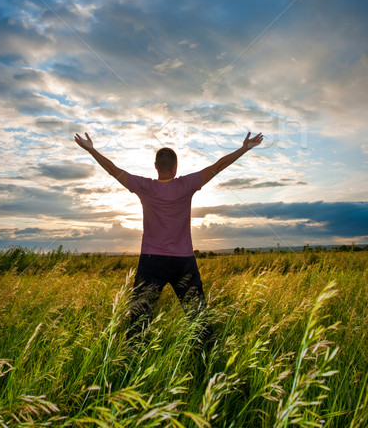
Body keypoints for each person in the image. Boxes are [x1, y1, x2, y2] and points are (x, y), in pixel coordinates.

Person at [74, 130, 263, 340]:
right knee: (198, 318)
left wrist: (91, 149)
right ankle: (207, 361)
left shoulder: (145, 186)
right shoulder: (186, 184)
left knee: (138, 320)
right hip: (183, 261)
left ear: (155, 166)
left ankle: (129, 364)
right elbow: (218, 166)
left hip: (151, 261)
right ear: (175, 167)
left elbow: (112, 170)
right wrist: (244, 148)